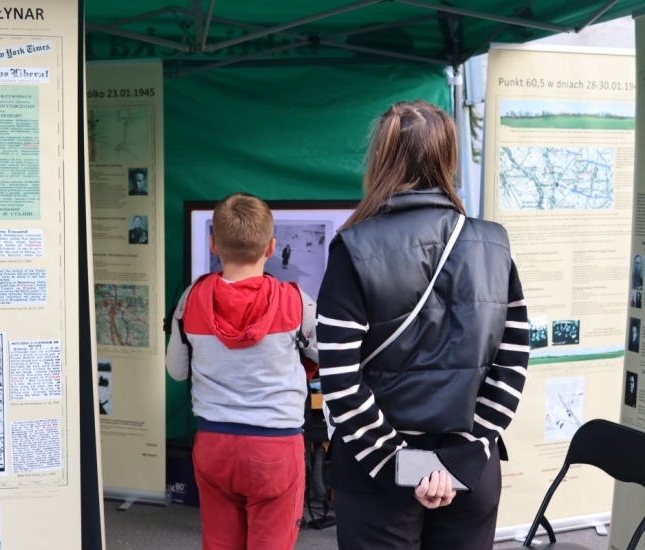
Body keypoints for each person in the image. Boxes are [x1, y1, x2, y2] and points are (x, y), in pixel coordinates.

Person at [316, 101, 529, 550]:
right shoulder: (494, 244)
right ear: (447, 157)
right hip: (472, 469)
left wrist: (402, 463)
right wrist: (462, 458)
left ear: (381, 158)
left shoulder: (352, 248)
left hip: (376, 476)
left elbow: (338, 380)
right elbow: (511, 367)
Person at [166, 193, 318, 550]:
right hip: (276, 448)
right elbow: (323, 355)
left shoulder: (190, 299)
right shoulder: (299, 302)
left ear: (213, 244)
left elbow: (176, 371)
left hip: (214, 444)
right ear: (271, 247)